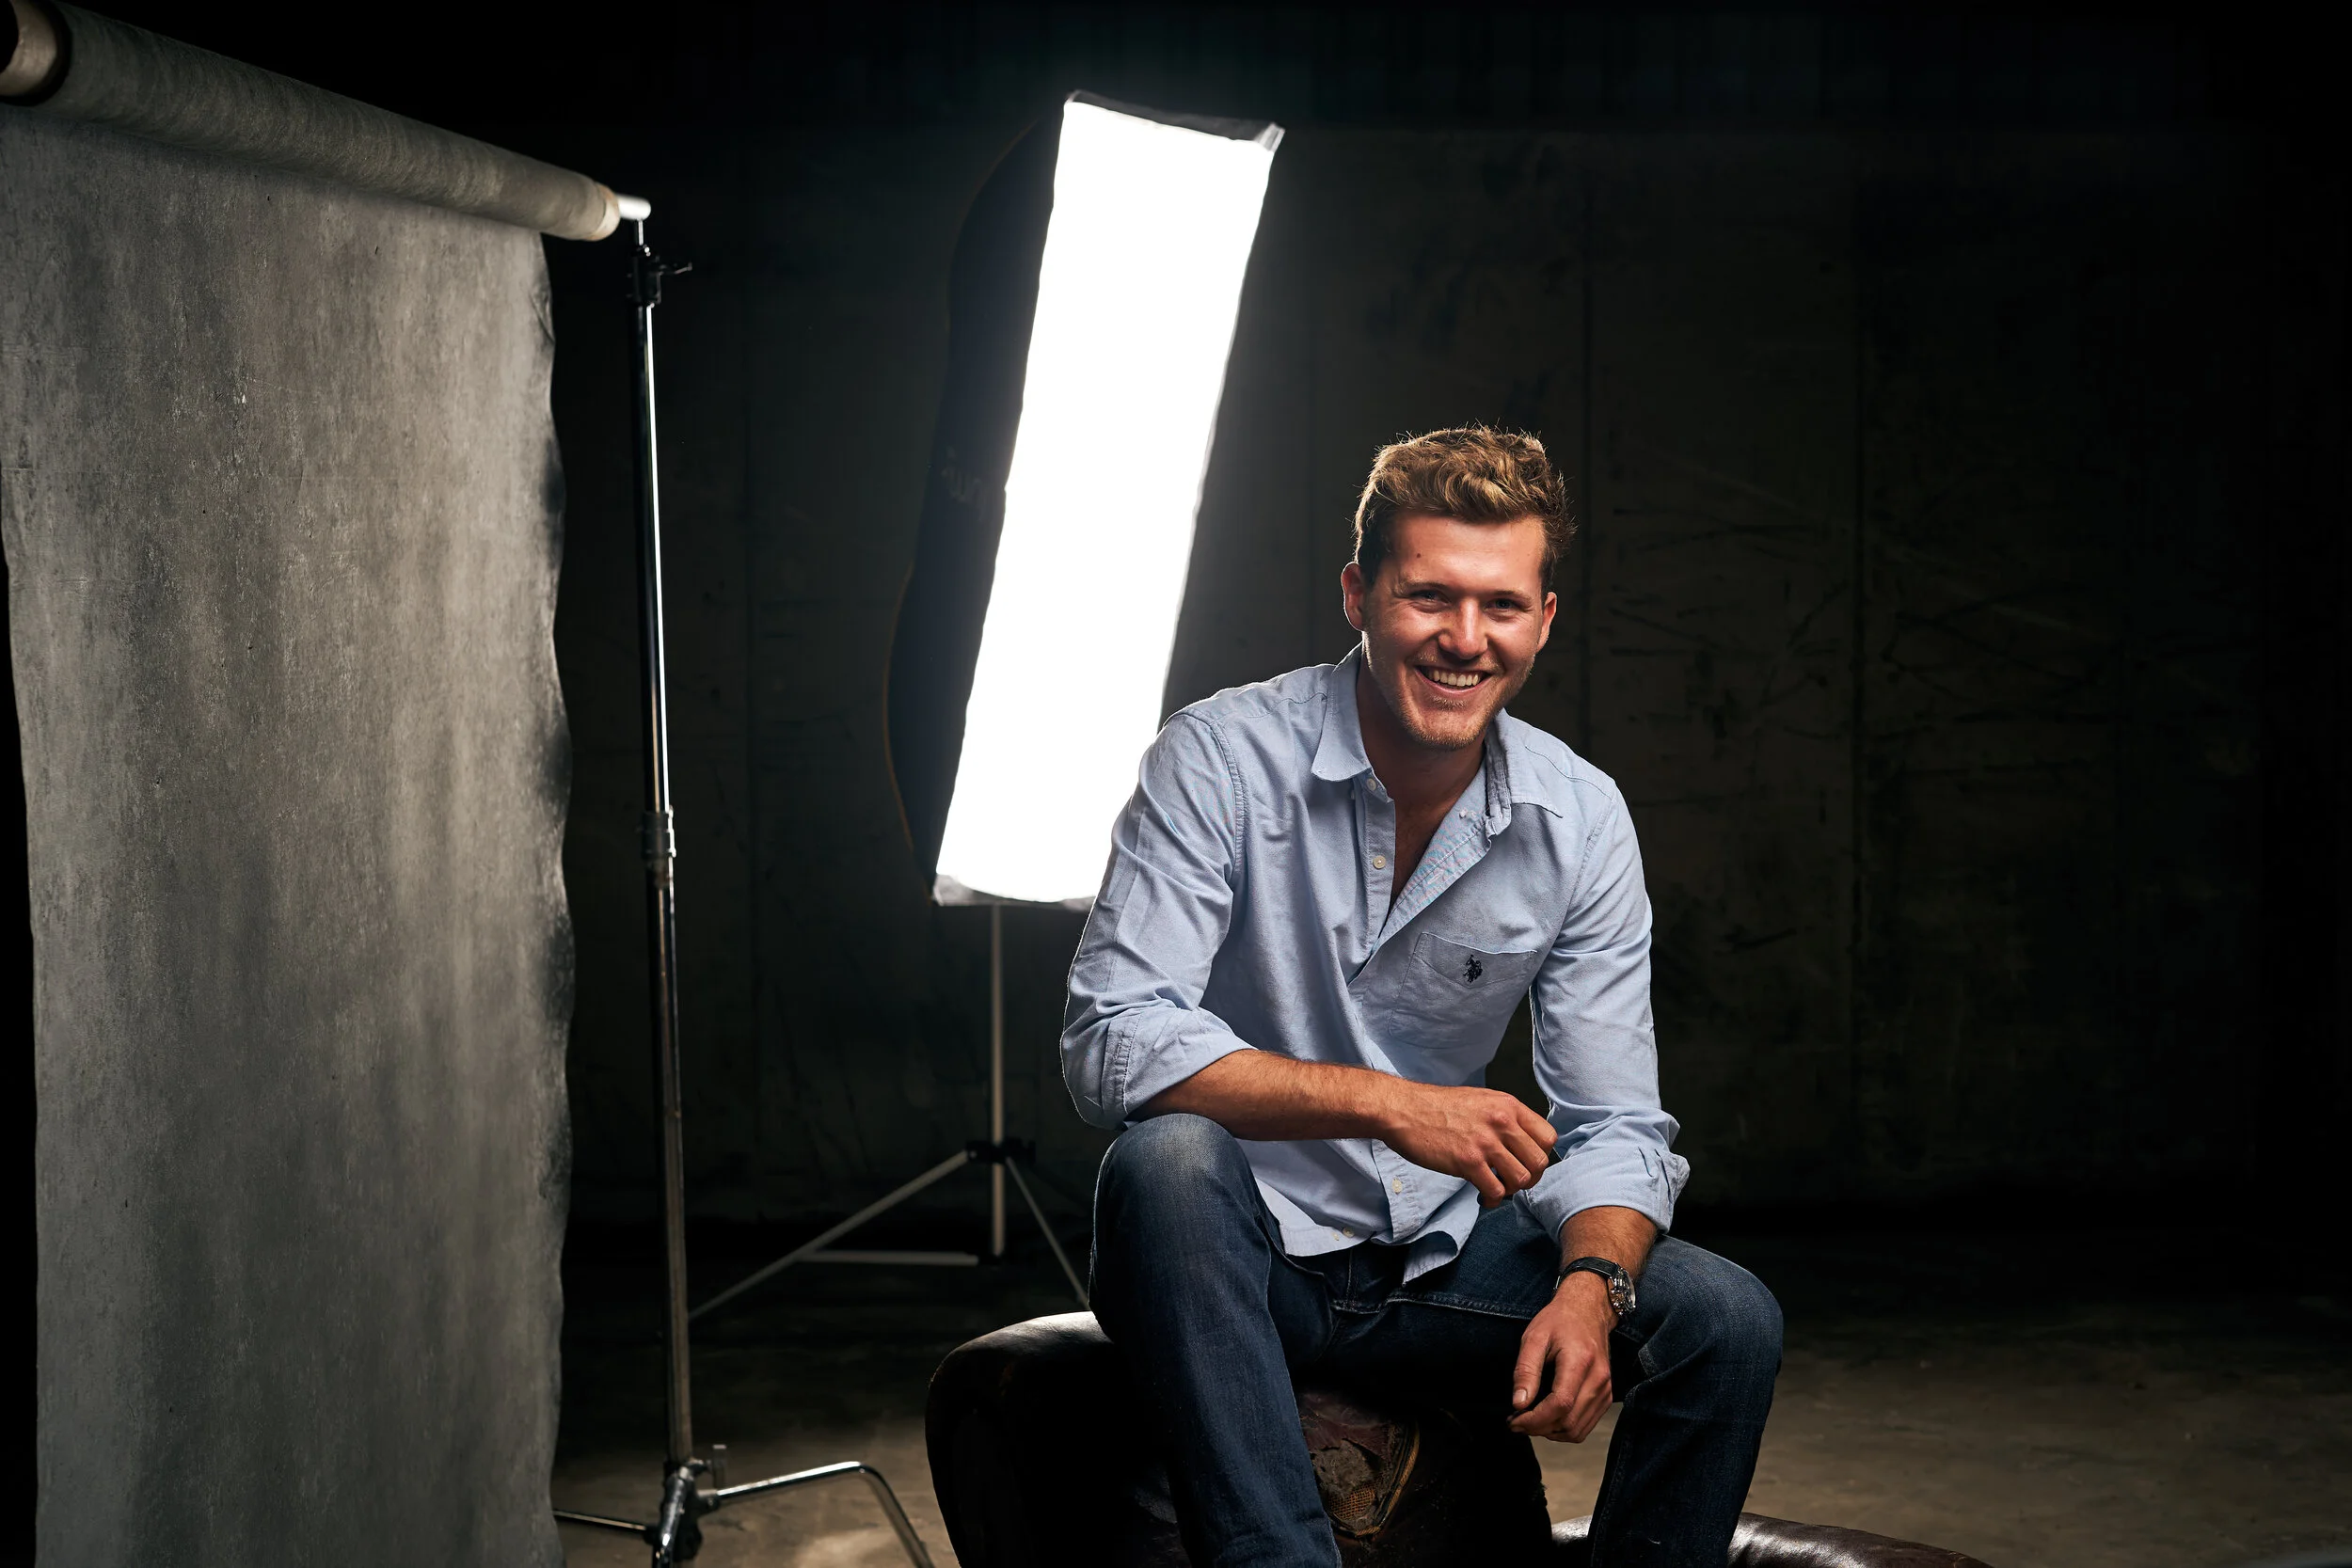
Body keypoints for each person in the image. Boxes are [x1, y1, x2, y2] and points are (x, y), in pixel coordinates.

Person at [1060, 427, 1783, 1567]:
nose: (1463, 638)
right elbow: (1113, 1038)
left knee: (1725, 1318)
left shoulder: (1580, 817)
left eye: (1500, 605)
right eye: (1427, 596)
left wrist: (1592, 1284)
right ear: (1358, 594)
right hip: (1238, 1254)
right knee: (1163, 1161)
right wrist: (1393, 1103)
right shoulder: (1218, 757)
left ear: (1544, 618)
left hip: (1436, 1261)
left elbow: (1613, 1124)